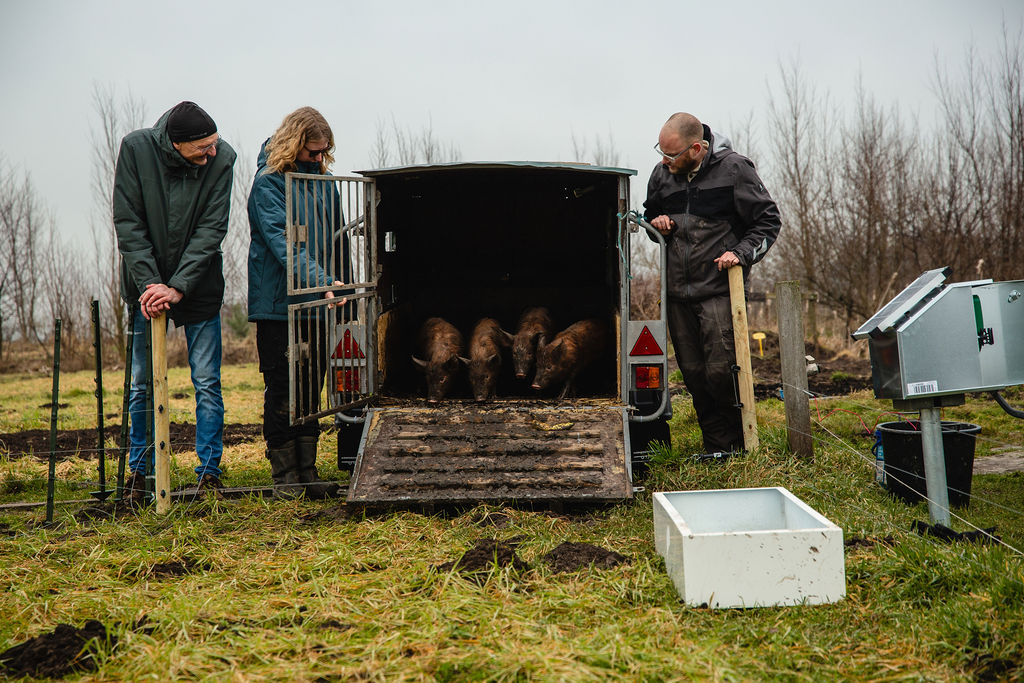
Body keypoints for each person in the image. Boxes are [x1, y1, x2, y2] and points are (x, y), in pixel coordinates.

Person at [113, 101, 237, 500]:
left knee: (206, 381)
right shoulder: (136, 151)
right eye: (203, 147)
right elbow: (128, 222)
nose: (212, 153)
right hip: (146, 291)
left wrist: (179, 284)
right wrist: (151, 284)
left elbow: (212, 228)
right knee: (140, 385)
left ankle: (208, 474)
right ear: (176, 143)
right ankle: (140, 473)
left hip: (198, 287)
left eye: (214, 144)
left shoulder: (222, 161)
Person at [644, 112, 781, 454]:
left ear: (696, 148)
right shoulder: (662, 175)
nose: (664, 161)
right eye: (660, 152)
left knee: (722, 372)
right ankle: (716, 448)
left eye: (671, 155)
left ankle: (738, 444)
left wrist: (741, 253)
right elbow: (649, 216)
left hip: (719, 290)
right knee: (693, 375)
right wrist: (657, 223)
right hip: (677, 294)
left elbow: (767, 222)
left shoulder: (735, 169)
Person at [247, 107, 348, 498]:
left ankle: (308, 470)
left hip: (319, 303)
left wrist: (343, 291)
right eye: (312, 152)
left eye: (324, 152)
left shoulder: (325, 182)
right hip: (278, 306)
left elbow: (338, 242)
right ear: (293, 145)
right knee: (283, 389)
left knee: (311, 388)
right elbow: (284, 245)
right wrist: (323, 282)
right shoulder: (269, 185)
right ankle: (284, 477)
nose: (319, 160)